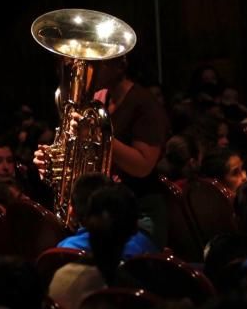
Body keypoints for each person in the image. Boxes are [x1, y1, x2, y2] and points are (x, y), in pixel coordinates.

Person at [35, 56, 169, 246]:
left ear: (120, 66)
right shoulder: (96, 99)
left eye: (95, 63)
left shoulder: (145, 104)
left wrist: (97, 134)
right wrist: (54, 162)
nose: (85, 69)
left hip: (138, 214)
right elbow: (82, 152)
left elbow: (143, 166)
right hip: (102, 210)